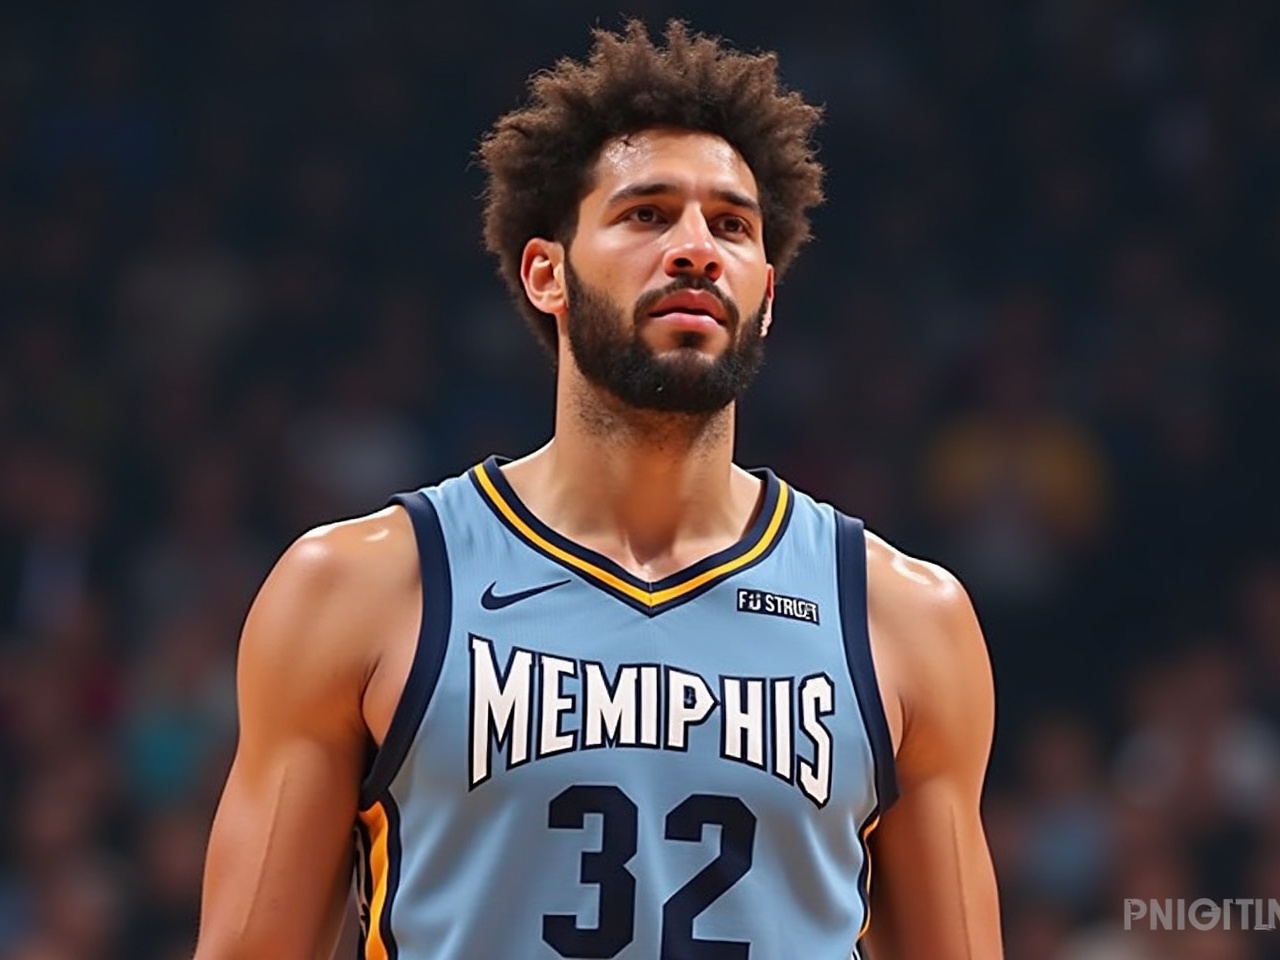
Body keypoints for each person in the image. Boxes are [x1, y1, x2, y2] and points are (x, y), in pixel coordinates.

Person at [194, 19, 1003, 960]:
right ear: (548, 274)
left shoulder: (903, 616)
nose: (697, 248)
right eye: (646, 213)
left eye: (731, 225)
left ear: (767, 294)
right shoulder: (359, 588)